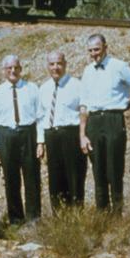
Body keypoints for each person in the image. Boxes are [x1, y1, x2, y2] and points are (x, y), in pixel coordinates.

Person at [79, 33, 130, 215]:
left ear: (105, 47)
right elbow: (84, 105)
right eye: (90, 51)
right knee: (98, 170)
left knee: (114, 168)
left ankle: (117, 215)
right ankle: (102, 216)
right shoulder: (87, 71)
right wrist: (82, 134)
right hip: (94, 122)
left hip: (113, 120)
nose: (94, 54)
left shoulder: (119, 67)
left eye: (96, 49)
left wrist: (127, 106)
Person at [0, 54, 42, 224]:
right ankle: (16, 219)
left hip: (28, 134)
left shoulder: (32, 88)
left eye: (16, 68)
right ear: (3, 71)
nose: (13, 71)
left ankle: (34, 217)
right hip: (7, 136)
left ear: (21, 69)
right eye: (9, 68)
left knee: (32, 177)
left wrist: (40, 141)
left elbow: (40, 117)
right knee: (11, 178)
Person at [36, 51, 86, 212]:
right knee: (55, 178)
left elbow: (85, 111)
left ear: (65, 64)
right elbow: (41, 117)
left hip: (70, 134)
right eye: (52, 64)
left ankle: (77, 213)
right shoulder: (43, 88)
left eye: (58, 63)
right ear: (47, 66)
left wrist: (83, 135)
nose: (55, 67)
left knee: (74, 175)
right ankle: (59, 215)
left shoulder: (77, 85)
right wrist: (41, 142)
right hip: (52, 135)